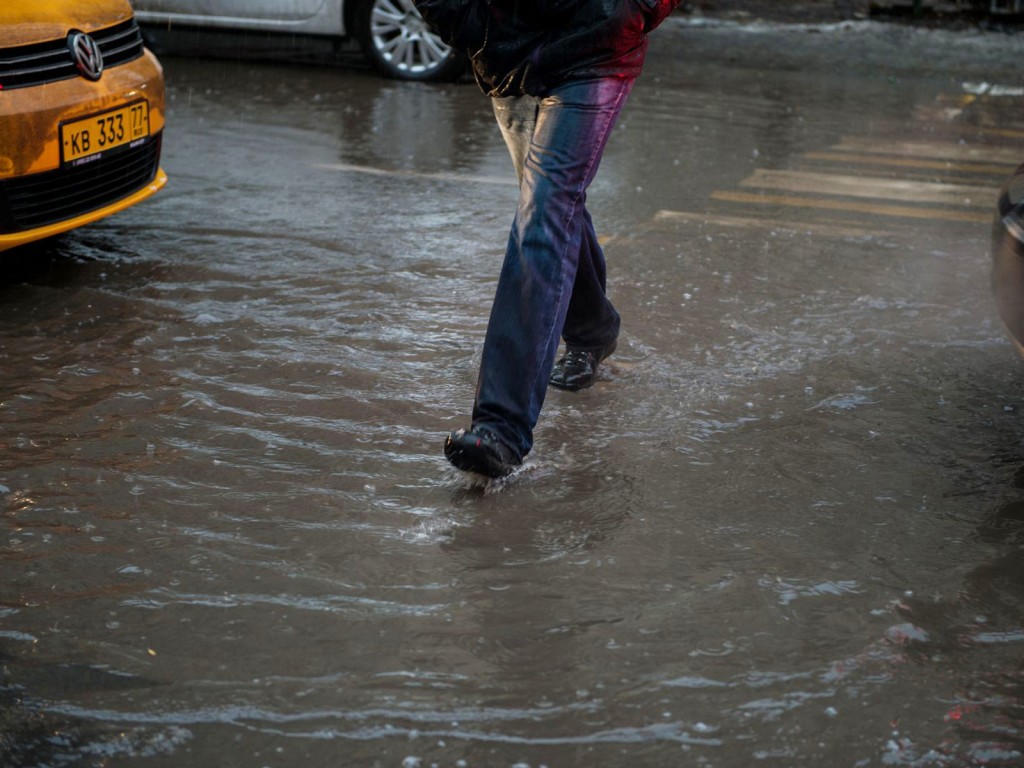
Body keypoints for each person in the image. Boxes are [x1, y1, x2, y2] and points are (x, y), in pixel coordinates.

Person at [414, 0, 681, 478]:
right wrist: (469, 23)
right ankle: (593, 330)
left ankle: (501, 429)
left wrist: (624, 11)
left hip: (594, 50)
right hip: (507, 56)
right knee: (552, 207)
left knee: (545, 209)